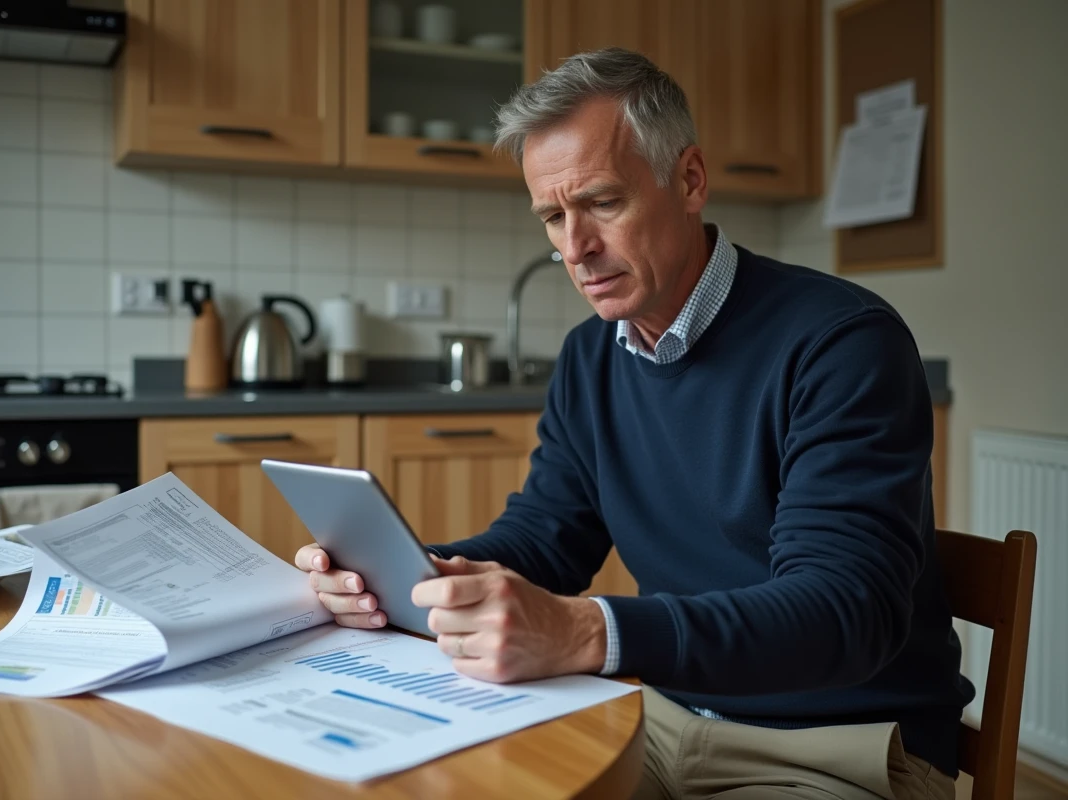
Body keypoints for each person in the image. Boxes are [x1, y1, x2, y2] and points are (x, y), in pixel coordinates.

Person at [294, 47, 972, 800]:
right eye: (553, 216)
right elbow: (546, 540)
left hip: (834, 747)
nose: (574, 249)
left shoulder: (842, 343)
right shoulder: (592, 356)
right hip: (653, 716)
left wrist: (589, 632)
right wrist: (412, 577)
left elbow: (845, 612)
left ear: (689, 180)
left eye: (602, 203)